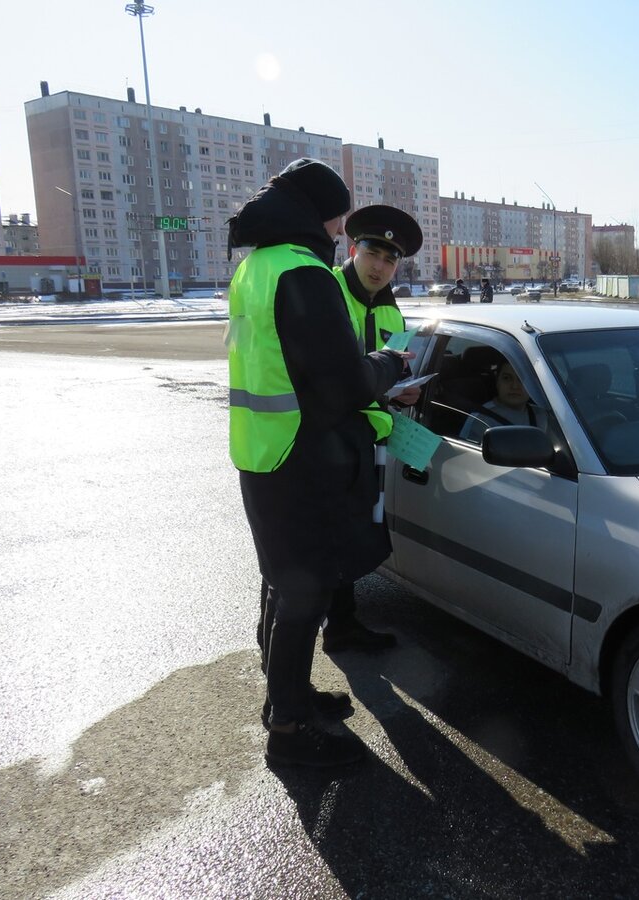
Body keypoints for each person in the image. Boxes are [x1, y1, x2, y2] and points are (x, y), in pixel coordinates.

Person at [227, 158, 410, 769]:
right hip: (300, 458)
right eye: (339, 218)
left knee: (286, 587)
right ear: (322, 215)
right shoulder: (302, 273)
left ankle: (290, 694)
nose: (339, 230)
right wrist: (390, 367)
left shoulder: (255, 266)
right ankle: (287, 718)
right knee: (302, 595)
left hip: (262, 450)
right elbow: (344, 384)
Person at [325, 203, 424, 653]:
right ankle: (297, 656)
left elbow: (395, 372)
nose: (380, 267)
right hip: (321, 440)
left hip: (366, 442)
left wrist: (406, 391)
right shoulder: (325, 294)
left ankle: (342, 624)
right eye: (373, 253)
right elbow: (326, 379)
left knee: (350, 537)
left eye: (391, 259)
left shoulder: (391, 312)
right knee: (317, 548)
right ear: (353, 248)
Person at [459, 359, 549, 443]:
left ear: (532, 384)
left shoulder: (542, 415)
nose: (514, 386)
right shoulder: (480, 419)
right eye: (507, 378)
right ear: (497, 381)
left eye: (521, 379)